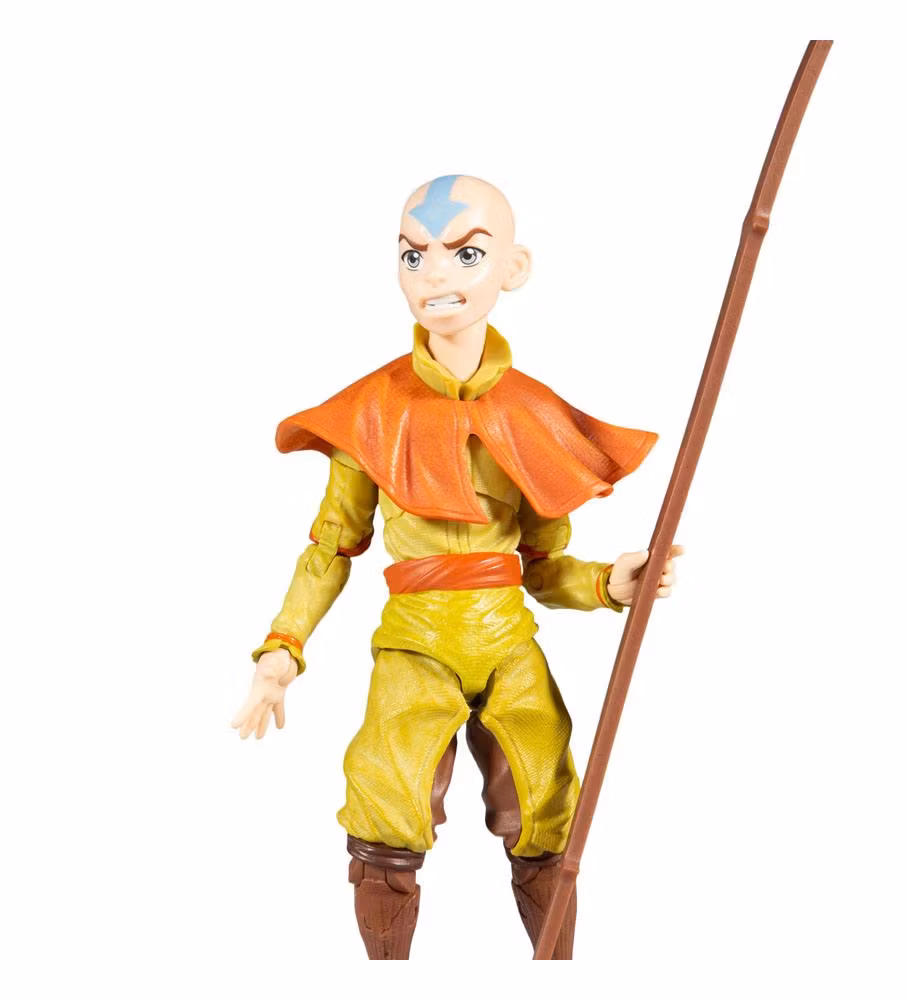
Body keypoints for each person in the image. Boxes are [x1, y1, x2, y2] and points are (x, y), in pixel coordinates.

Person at [232, 175, 681, 960]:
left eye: (465, 253)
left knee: (548, 806)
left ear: (513, 267)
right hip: (415, 644)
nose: (435, 273)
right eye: (414, 255)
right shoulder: (371, 410)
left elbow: (543, 565)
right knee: (384, 807)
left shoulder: (532, 411)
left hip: (508, 642)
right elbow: (330, 548)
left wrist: (608, 585)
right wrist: (283, 647)